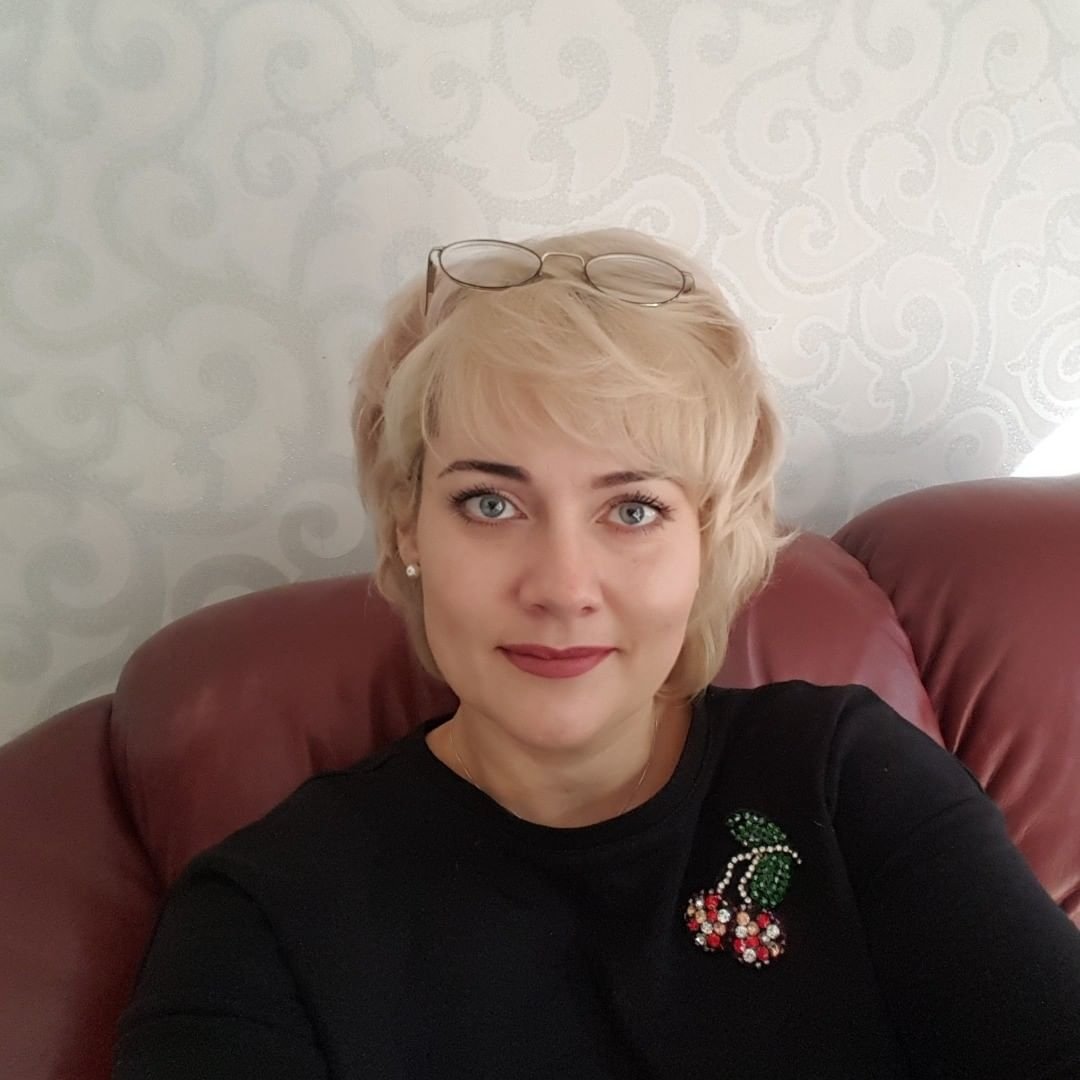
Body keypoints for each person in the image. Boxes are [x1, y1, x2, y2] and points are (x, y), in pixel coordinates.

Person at [111, 229, 1080, 1079]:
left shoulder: (846, 777)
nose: (563, 585)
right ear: (408, 526)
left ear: (706, 542)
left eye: (633, 509)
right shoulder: (266, 917)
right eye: (491, 502)